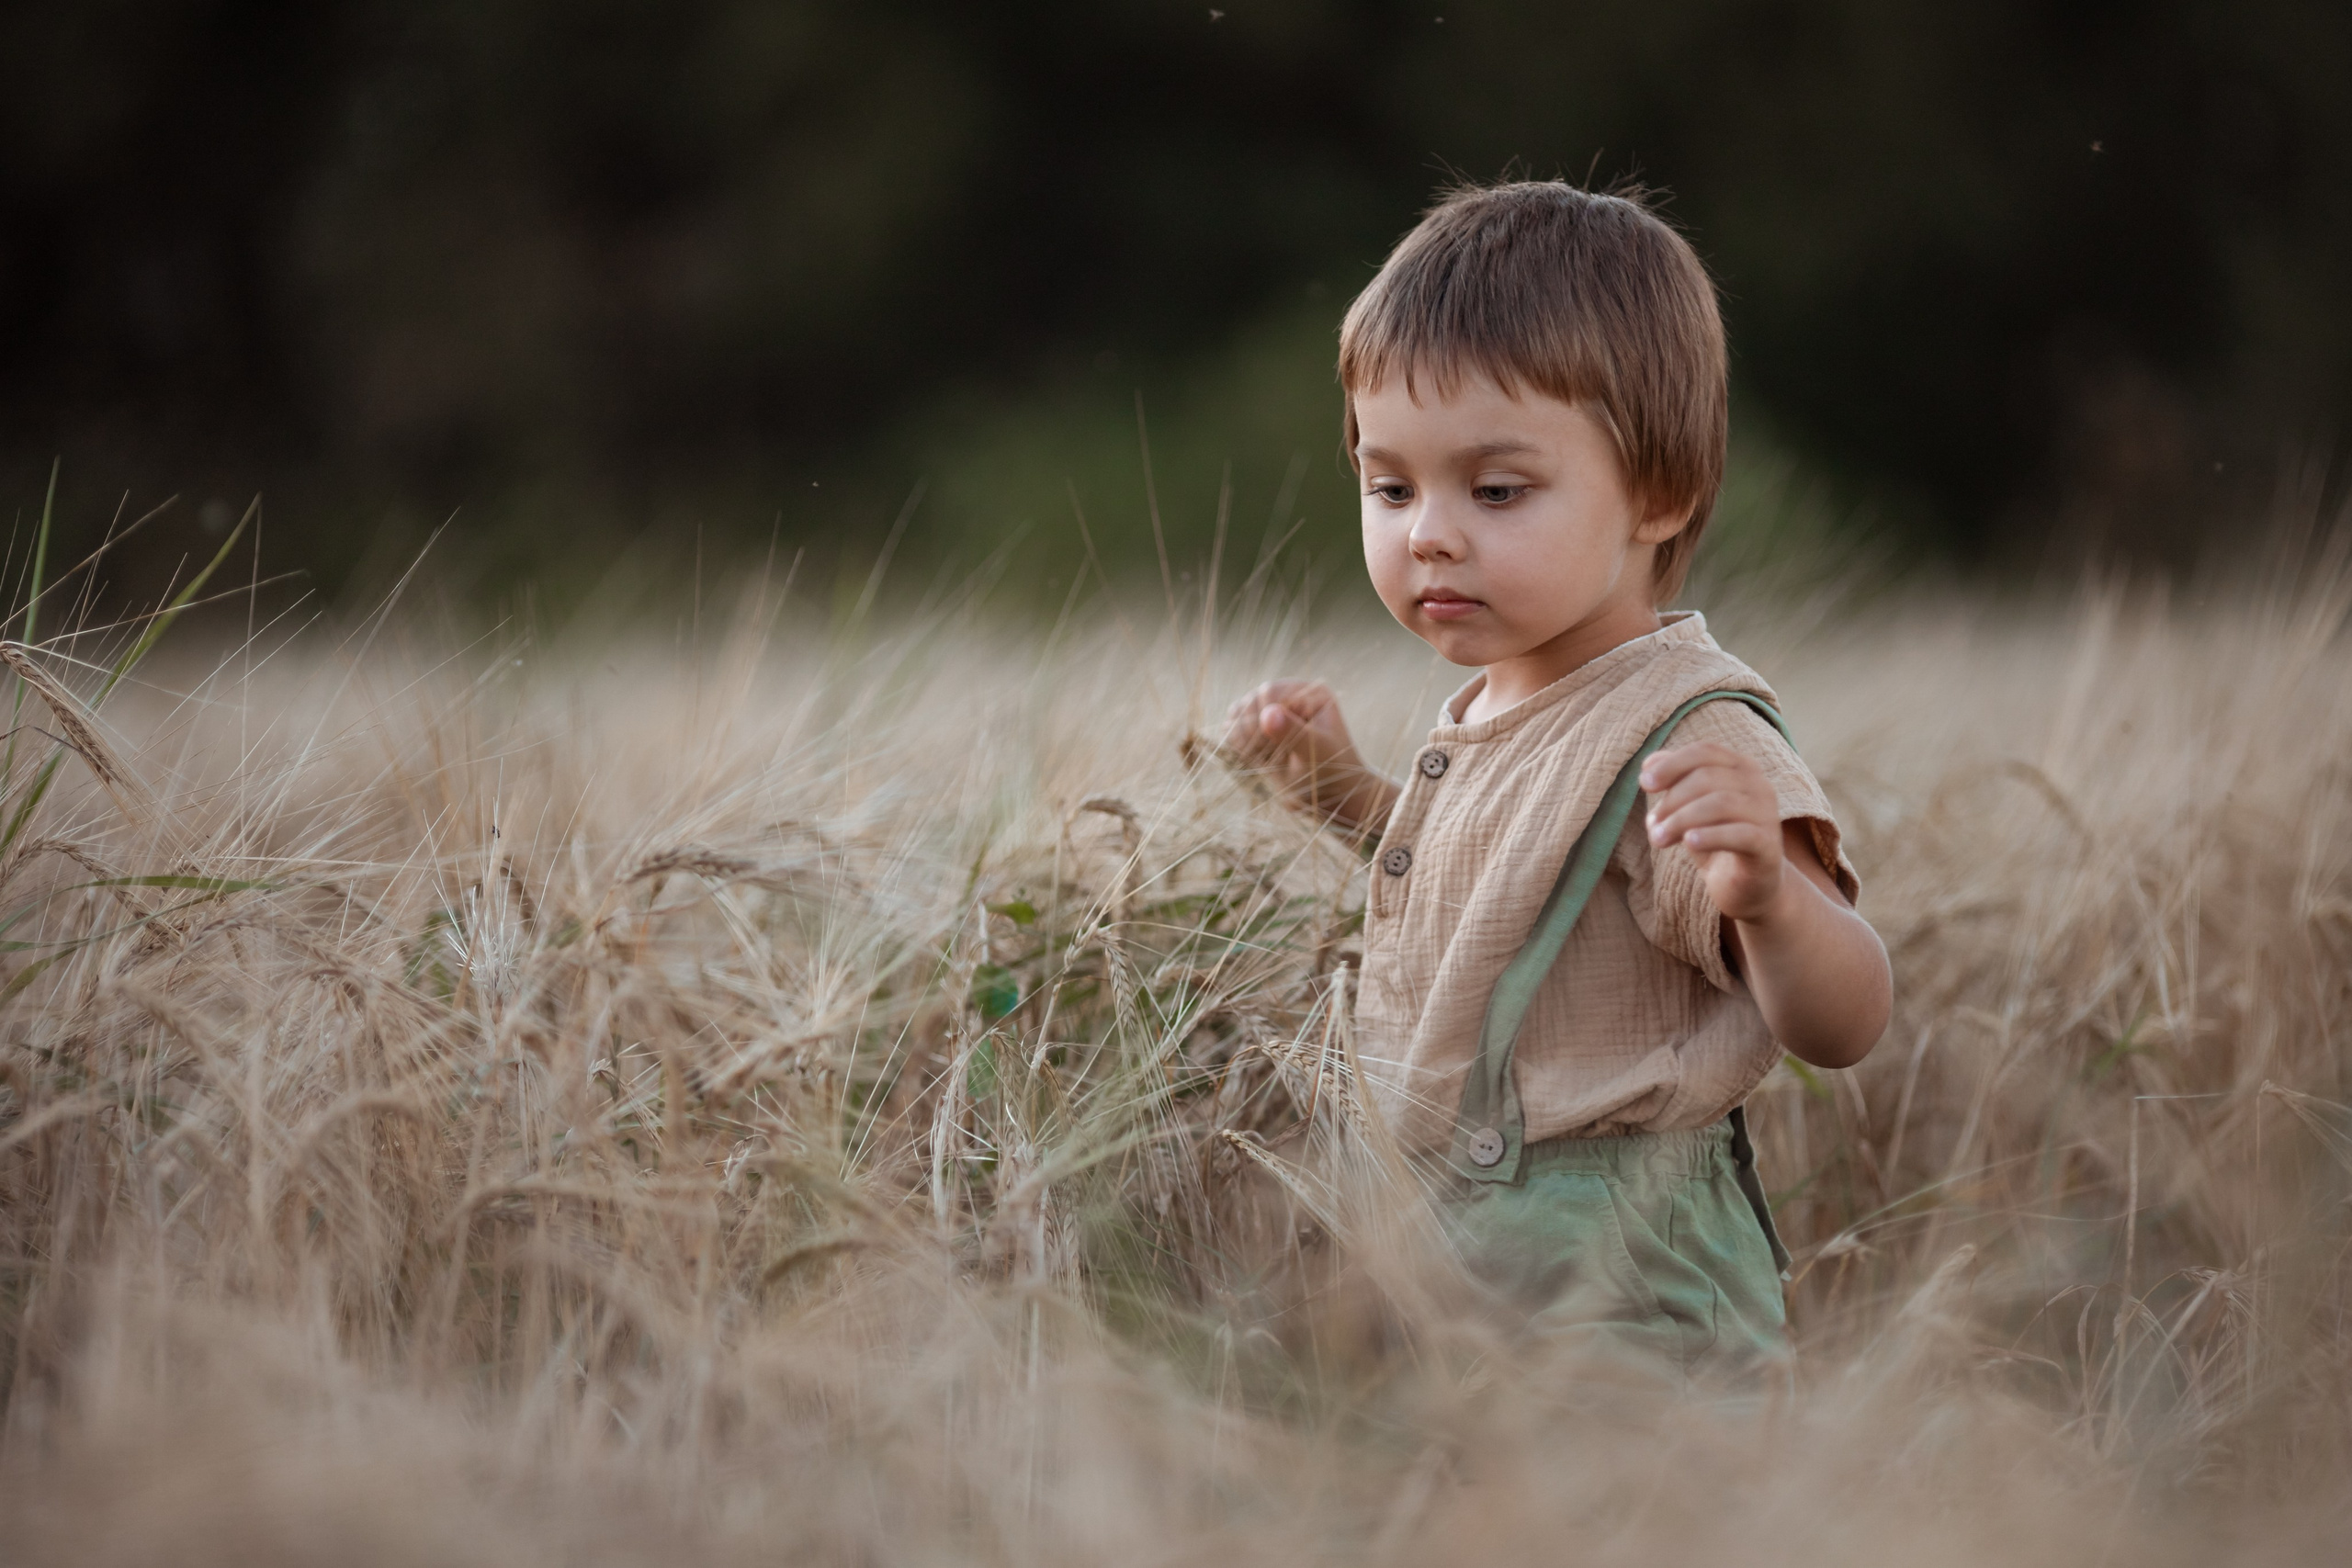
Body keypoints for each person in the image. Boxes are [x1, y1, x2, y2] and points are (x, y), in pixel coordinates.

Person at [1221, 181, 1892, 1380]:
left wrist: (1772, 900)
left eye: (1496, 491)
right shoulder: (1502, 701)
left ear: (1658, 494)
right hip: (1461, 1263)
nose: (1428, 533)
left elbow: (1848, 1021)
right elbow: (1513, 890)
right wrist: (1341, 795)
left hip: (1622, 1289)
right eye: (1391, 486)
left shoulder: (1684, 730)